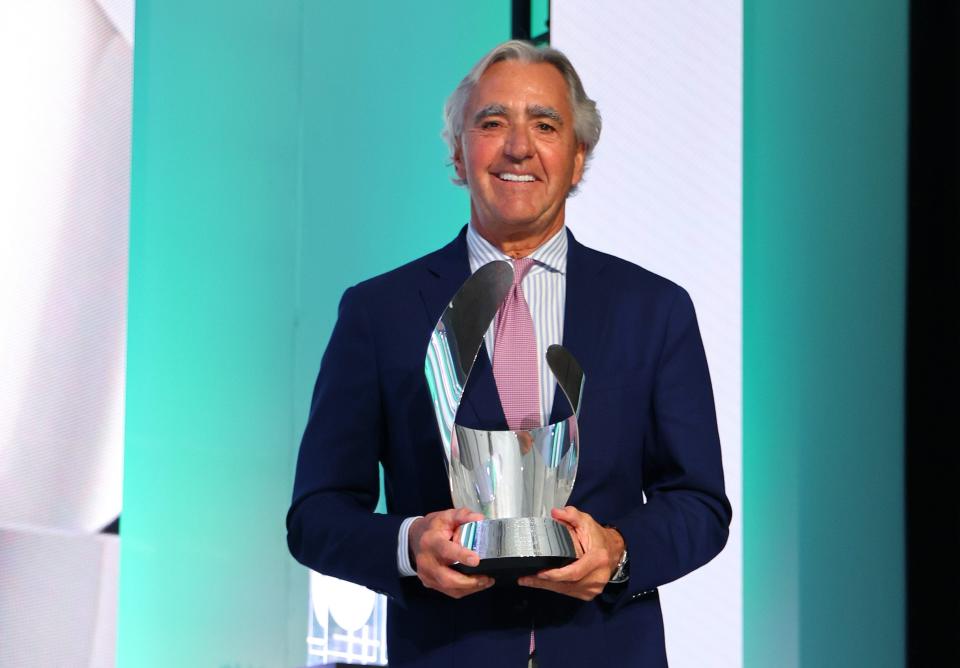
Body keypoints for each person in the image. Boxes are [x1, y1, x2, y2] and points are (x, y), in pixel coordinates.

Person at [287, 40, 731, 667]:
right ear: (458, 155)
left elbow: (701, 504)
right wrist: (408, 545)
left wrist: (619, 552)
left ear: (578, 158)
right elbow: (317, 515)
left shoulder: (653, 309)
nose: (518, 146)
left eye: (545, 125)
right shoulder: (378, 312)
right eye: (492, 122)